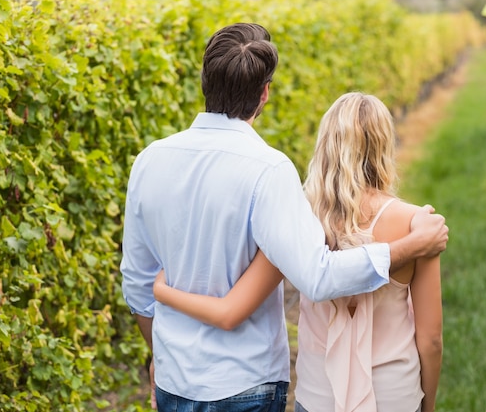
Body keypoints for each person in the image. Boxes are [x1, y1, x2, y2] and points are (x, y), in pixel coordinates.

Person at [120, 22, 447, 412]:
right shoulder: (268, 170)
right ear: (264, 93)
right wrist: (409, 247)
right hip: (246, 383)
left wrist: (163, 354)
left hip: (176, 381)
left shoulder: (149, 161)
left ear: (204, 81)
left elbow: (138, 283)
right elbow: (318, 276)